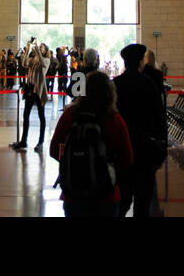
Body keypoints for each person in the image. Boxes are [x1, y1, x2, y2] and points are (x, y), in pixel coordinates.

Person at [50, 71, 133, 217]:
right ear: (110, 92)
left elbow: (53, 149)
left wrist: (74, 162)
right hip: (106, 195)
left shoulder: (70, 114)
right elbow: (127, 158)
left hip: (73, 194)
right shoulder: (114, 119)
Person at [114, 43, 167, 218]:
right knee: (142, 205)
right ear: (140, 62)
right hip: (145, 150)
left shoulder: (116, 84)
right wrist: (162, 147)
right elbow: (159, 117)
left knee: (121, 203)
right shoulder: (148, 83)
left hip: (121, 149)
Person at [12, 41, 50, 150]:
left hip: (38, 91)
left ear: (45, 50)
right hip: (30, 90)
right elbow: (24, 64)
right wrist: (27, 49)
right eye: (39, 47)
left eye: (42, 47)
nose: (39, 48)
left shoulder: (46, 60)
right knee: (26, 115)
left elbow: (43, 63)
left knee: (41, 116)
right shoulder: (34, 60)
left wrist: (37, 48)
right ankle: (24, 141)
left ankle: (41, 142)